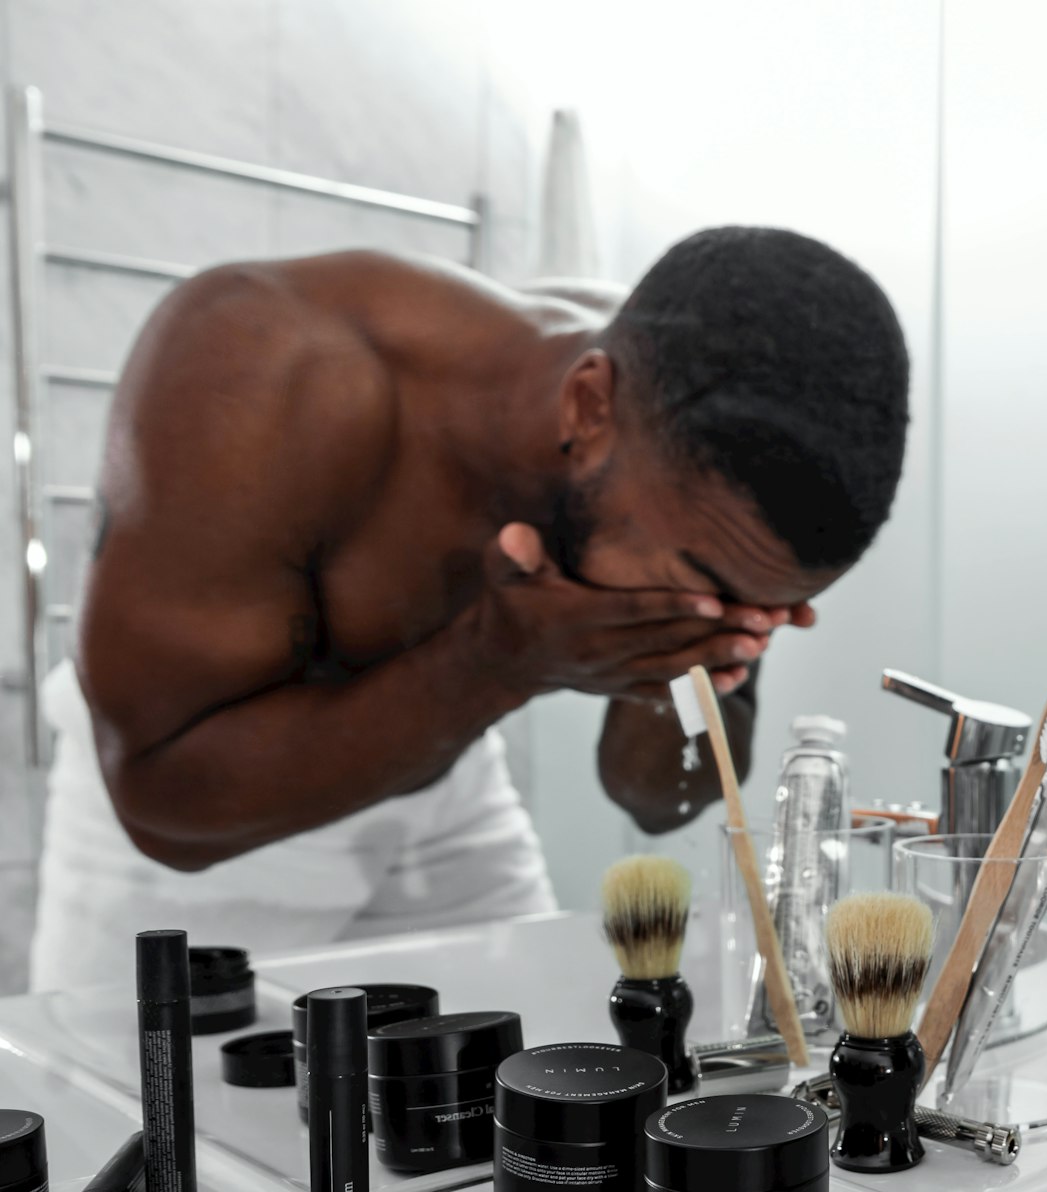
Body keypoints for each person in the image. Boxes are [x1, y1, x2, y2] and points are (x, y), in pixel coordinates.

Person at [32, 226, 911, 989]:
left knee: (542, 1107)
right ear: (586, 407)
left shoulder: (720, 464)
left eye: (760, 607)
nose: (718, 611)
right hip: (214, 796)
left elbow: (656, 794)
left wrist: (687, 662)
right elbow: (161, 809)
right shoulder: (268, 364)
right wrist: (498, 661)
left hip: (444, 779)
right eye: (710, 583)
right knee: (147, 1159)